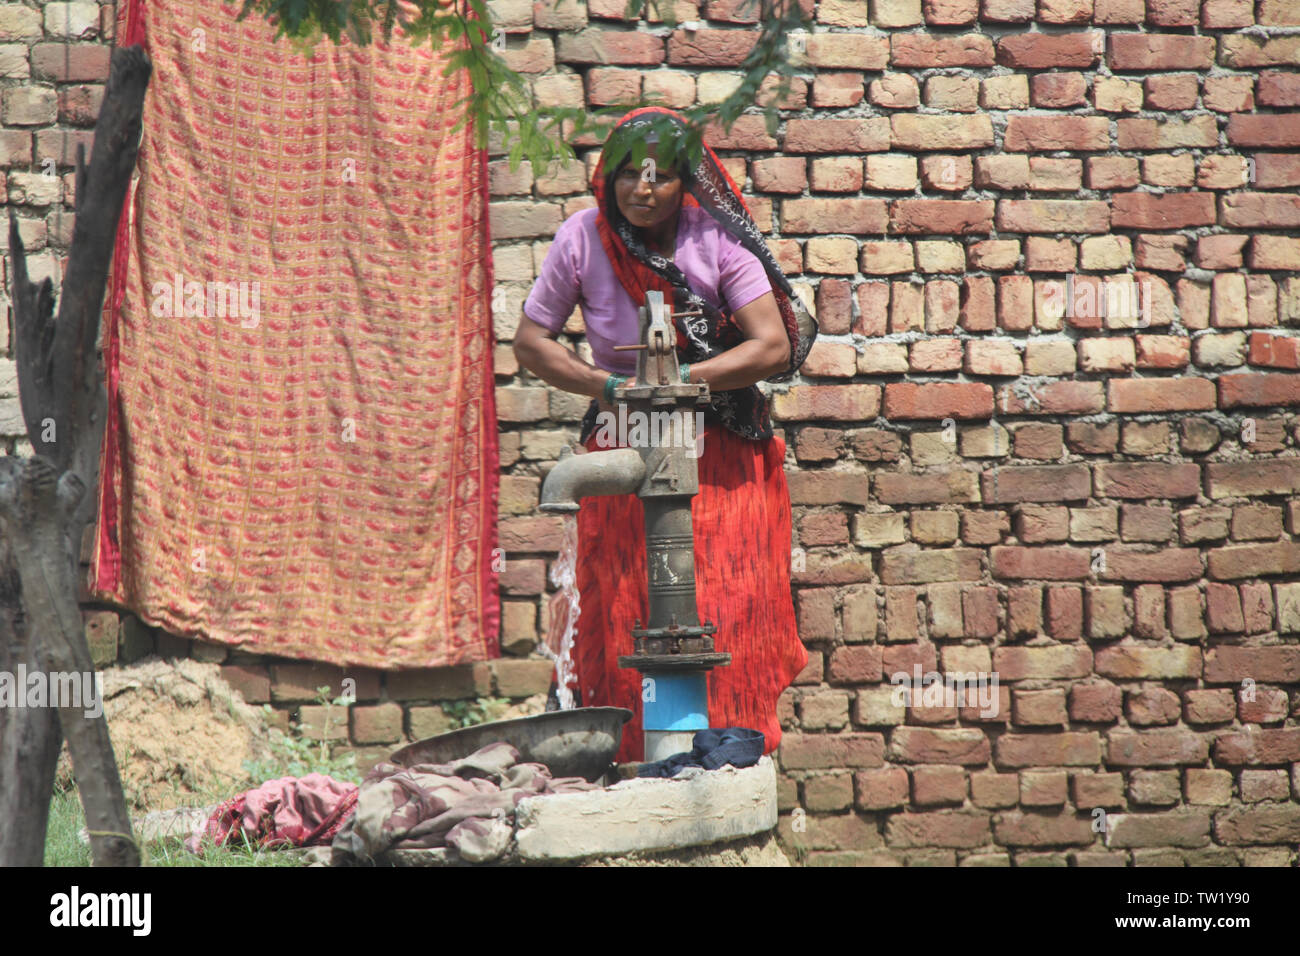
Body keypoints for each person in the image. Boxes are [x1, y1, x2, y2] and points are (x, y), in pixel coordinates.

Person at [514, 105, 818, 764]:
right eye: (628, 174)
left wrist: (682, 378)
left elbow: (771, 344)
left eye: (658, 177)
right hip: (627, 443)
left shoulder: (716, 240)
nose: (641, 190)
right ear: (607, 177)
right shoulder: (583, 239)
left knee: (727, 605)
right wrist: (612, 388)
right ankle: (633, 764)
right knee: (624, 609)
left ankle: (729, 765)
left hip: (720, 454)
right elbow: (532, 343)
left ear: (686, 183)